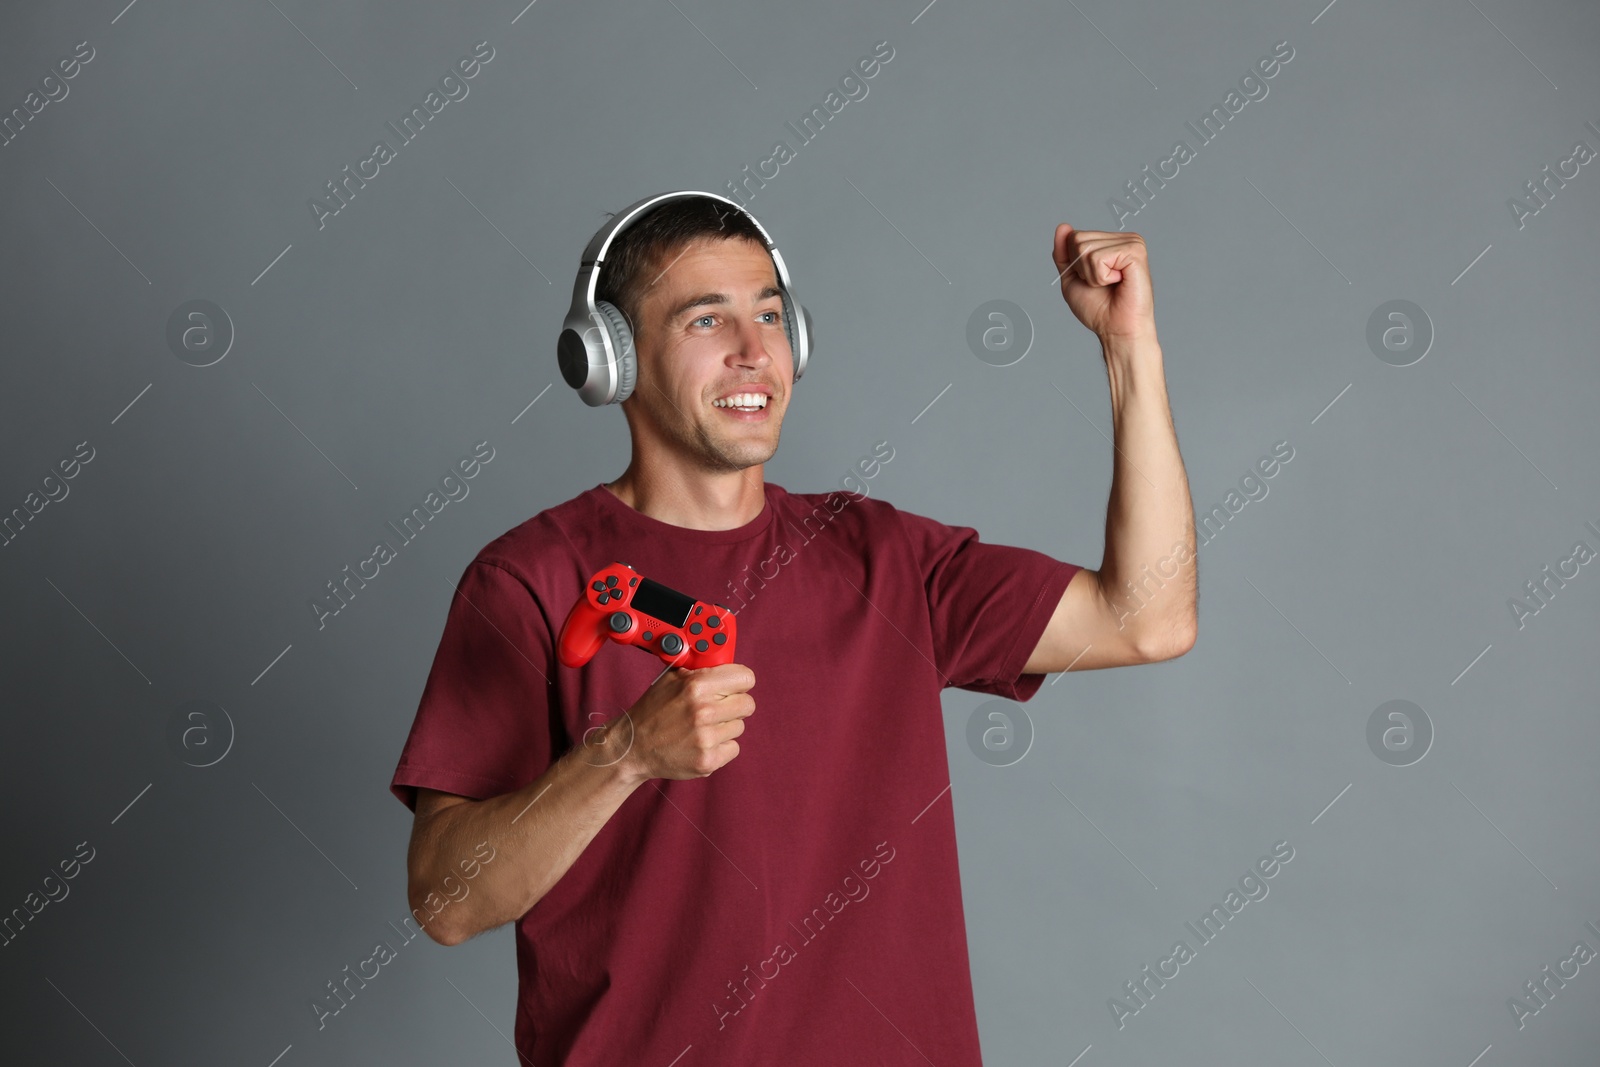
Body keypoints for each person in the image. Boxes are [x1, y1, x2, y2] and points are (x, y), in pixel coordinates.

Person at [387, 192, 1196, 1065]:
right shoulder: (529, 580)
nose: (754, 350)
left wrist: (1128, 350)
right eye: (707, 319)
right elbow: (445, 899)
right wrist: (622, 754)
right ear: (612, 358)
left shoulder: (886, 558)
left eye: (772, 315)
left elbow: (1146, 617)